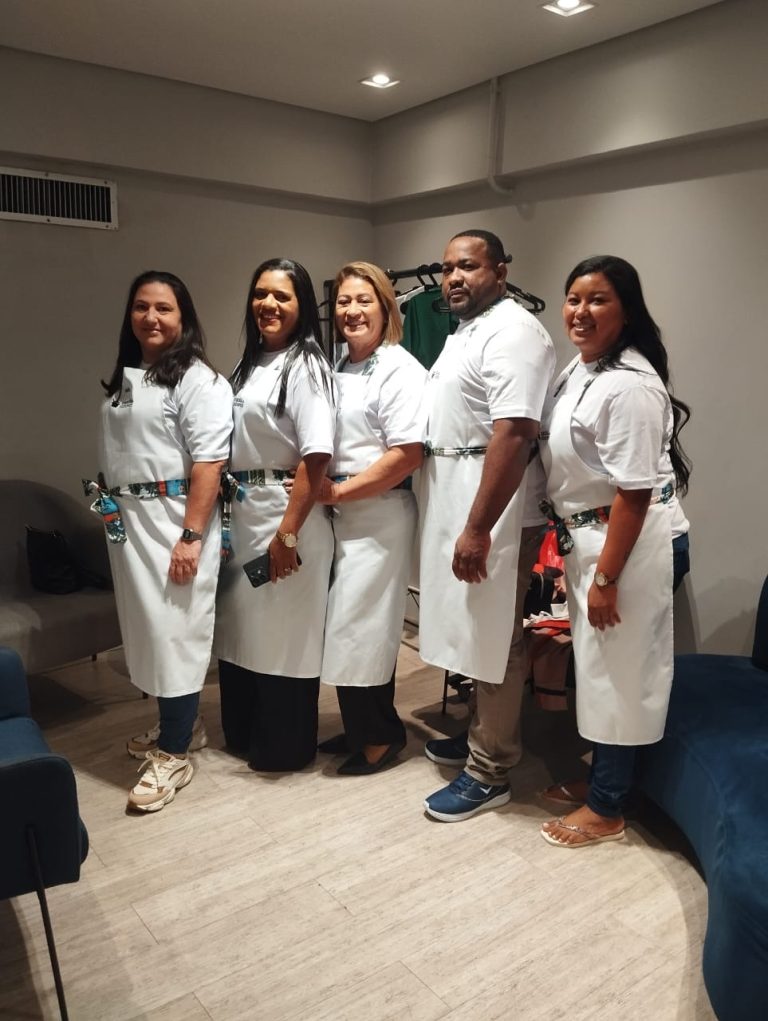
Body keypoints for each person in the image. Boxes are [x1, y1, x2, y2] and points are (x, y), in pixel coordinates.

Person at [538, 255, 691, 847]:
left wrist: (605, 579)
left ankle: (607, 807)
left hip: (630, 546)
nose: (581, 311)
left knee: (621, 674)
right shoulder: (581, 369)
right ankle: (605, 780)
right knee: (600, 669)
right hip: (594, 539)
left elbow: (634, 493)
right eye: (574, 298)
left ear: (626, 312)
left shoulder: (629, 385)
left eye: (598, 299)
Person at [419, 229, 556, 821]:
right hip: (459, 494)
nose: (454, 277)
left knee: (496, 635)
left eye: (468, 266)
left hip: (496, 509)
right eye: (447, 267)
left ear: (500, 271)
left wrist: (478, 529)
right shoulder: (467, 330)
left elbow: (515, 432)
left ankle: (491, 768)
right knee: (473, 629)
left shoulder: (515, 331)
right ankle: (481, 732)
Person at [86, 270, 233, 812]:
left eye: (164, 308)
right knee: (149, 631)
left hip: (173, 524)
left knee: (175, 631)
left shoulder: (198, 380)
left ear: (183, 317)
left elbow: (209, 463)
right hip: (131, 527)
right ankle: (183, 724)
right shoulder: (130, 379)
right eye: (141, 306)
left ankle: (174, 752)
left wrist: (190, 537)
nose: (151, 317)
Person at [214, 258, 336, 772]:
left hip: (286, 524)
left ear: (302, 306)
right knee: (244, 633)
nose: (268, 304)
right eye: (261, 293)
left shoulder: (306, 366)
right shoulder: (249, 364)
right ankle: (244, 734)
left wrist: (287, 535)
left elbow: (316, 455)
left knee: (283, 638)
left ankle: (283, 746)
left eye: (282, 296)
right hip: (245, 518)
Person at [312, 261, 426, 775]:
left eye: (364, 300)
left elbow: (406, 454)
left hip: (379, 514)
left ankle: (381, 736)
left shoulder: (400, 369)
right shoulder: (340, 365)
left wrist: (339, 491)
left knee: (363, 628)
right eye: (343, 301)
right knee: (345, 626)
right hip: (340, 512)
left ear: (386, 306)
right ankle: (363, 726)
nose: (352, 311)